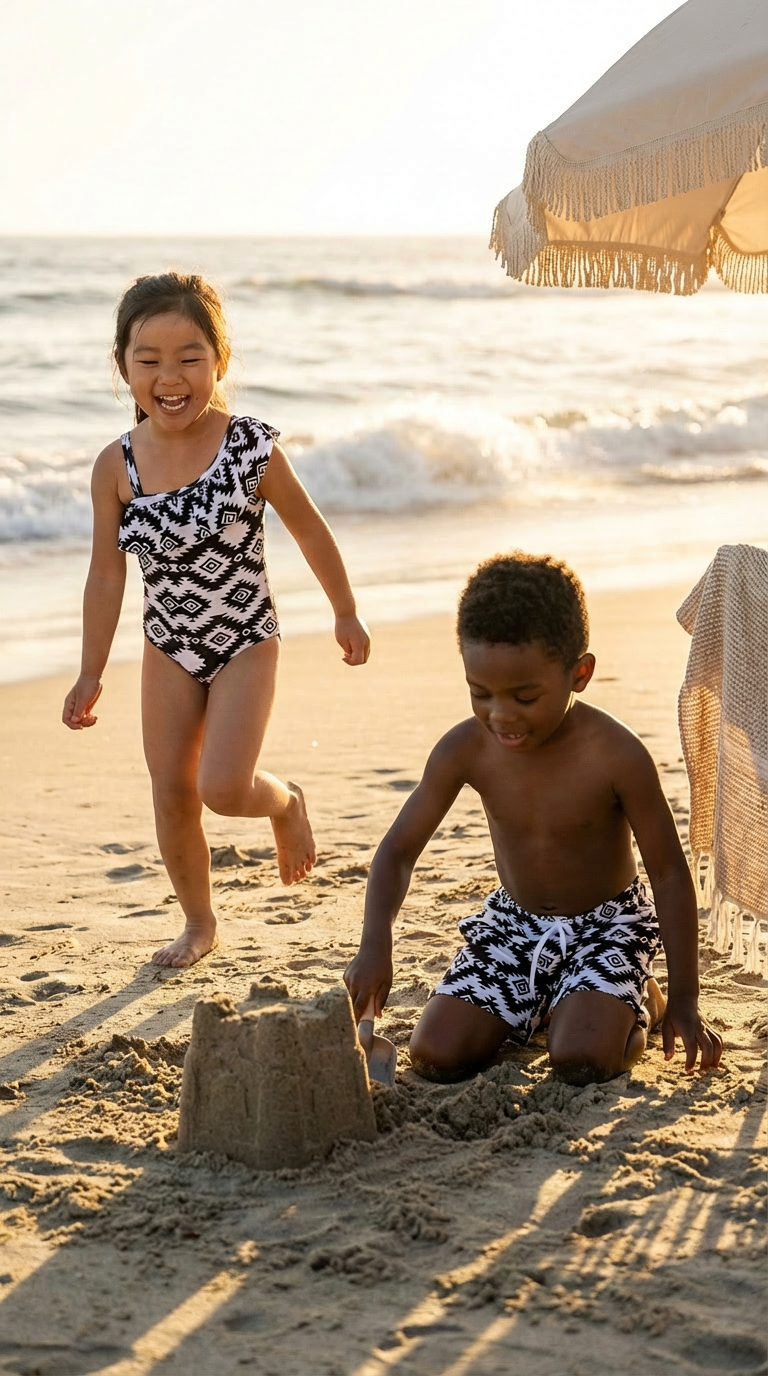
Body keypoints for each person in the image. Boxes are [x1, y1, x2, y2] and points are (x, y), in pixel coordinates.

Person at [63, 272, 370, 969]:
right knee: (171, 791)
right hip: (167, 643)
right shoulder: (116, 467)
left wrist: (344, 610)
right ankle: (199, 924)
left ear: (219, 362)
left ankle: (285, 802)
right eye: (149, 360)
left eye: (189, 357)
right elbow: (106, 573)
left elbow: (310, 530)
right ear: (124, 368)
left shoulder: (250, 448)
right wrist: (89, 670)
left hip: (245, 638)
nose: (170, 376)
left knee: (224, 788)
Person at [345, 553, 722, 1085]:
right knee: (436, 1054)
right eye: (480, 693)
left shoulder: (616, 755)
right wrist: (374, 945)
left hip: (605, 928)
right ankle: (559, 999)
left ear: (580, 674)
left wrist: (686, 1000)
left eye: (525, 697)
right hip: (514, 926)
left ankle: (645, 1001)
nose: (501, 715)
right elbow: (398, 852)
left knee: (582, 1061)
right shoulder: (464, 749)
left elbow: (668, 874)